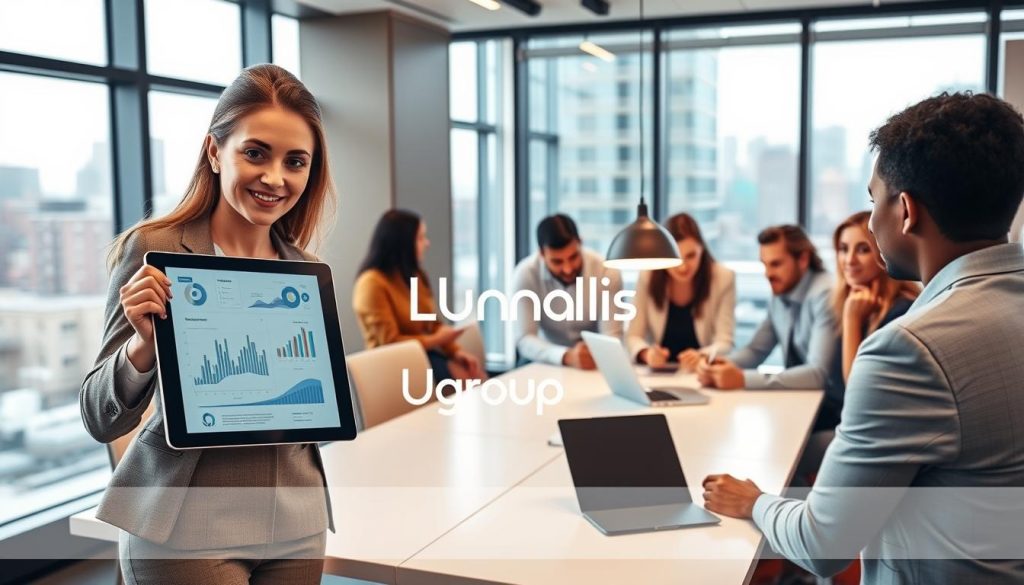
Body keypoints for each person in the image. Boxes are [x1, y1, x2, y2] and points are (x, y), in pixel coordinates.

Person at [702, 92, 1024, 584]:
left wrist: (754, 501)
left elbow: (822, 544)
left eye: (874, 201)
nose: (871, 223)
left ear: (906, 211)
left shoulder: (911, 348)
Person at [80, 65, 335, 584]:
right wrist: (142, 349)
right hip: (184, 523)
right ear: (215, 152)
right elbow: (98, 417)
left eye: (295, 161)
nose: (275, 178)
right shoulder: (155, 249)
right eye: (255, 153)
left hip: (296, 520)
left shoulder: (304, 270)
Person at [697, 226, 837, 406]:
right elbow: (756, 351)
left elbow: (818, 374)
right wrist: (719, 365)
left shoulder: (825, 295)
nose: (768, 274)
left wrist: (742, 379)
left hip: (832, 407)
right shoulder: (781, 294)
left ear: (803, 259)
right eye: (764, 264)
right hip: (802, 402)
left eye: (776, 264)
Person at [352, 209, 485, 383]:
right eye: (420, 238)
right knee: (469, 381)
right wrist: (437, 340)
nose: (427, 243)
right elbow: (389, 343)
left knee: (474, 376)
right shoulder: (371, 283)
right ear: (402, 243)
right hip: (392, 367)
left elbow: (433, 324)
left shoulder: (415, 276)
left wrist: (455, 351)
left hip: (424, 356)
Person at [625, 213, 736, 372]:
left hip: (701, 373)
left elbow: (725, 342)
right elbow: (633, 336)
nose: (683, 267)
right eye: (675, 257)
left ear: (702, 249)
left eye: (691, 256)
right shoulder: (648, 275)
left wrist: (703, 355)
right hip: (657, 374)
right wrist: (647, 354)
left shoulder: (723, 278)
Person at [510, 214, 623, 370]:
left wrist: (596, 355)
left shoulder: (606, 271)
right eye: (557, 261)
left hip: (595, 358)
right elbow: (525, 338)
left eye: (573, 257)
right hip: (547, 358)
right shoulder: (525, 274)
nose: (568, 269)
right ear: (542, 254)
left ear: (580, 243)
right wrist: (565, 356)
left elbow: (611, 335)